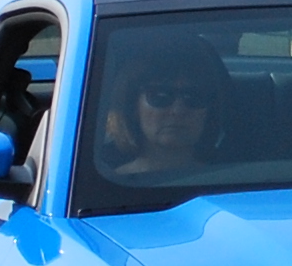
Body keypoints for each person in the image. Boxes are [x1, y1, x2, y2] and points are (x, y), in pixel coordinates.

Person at [96, 40, 227, 181]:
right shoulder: (105, 185)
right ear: (133, 107)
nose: (177, 110)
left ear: (209, 111)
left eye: (194, 97)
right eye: (160, 96)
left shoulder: (230, 183)